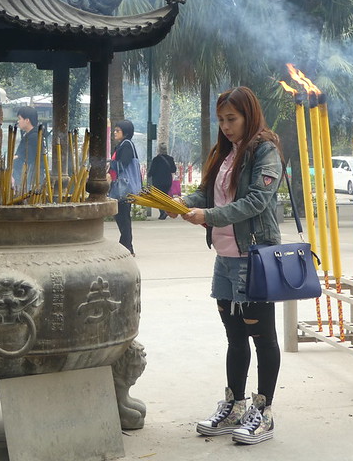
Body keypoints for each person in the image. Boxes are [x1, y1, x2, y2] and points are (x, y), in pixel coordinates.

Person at [172, 86, 283, 445]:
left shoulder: (265, 151)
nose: (226, 127)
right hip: (225, 259)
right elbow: (206, 193)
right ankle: (234, 404)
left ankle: (263, 412)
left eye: (231, 119)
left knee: (262, 338)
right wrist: (182, 203)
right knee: (235, 337)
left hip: (254, 258)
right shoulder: (225, 153)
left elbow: (255, 202)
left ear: (249, 115)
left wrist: (209, 215)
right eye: (220, 120)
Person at [109, 120, 138, 255]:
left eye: (117, 131)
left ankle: (126, 246)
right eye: (115, 130)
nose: (115, 132)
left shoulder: (126, 145)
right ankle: (126, 245)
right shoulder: (123, 144)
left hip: (124, 187)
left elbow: (123, 164)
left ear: (125, 132)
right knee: (121, 216)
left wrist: (110, 164)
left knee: (123, 216)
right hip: (121, 187)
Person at [12, 106, 42, 190]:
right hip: (25, 176)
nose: (18, 121)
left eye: (20, 118)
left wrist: (15, 158)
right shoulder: (29, 135)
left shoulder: (34, 137)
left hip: (29, 179)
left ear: (27, 120)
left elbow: (28, 158)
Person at [147, 144, 177, 219]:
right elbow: (174, 169)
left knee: (158, 197)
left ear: (159, 150)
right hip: (167, 182)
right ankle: (165, 211)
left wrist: (149, 175)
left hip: (158, 182)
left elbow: (151, 171)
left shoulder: (156, 159)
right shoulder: (170, 159)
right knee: (165, 196)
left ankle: (163, 212)